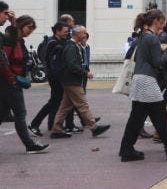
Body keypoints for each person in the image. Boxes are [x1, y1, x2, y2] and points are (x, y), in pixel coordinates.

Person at [119, 10, 167, 162]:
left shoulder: (143, 36)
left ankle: (127, 149)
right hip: (148, 80)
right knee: (157, 115)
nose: (164, 25)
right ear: (156, 21)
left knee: (139, 117)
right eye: (162, 22)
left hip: (140, 79)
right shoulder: (152, 39)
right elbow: (159, 63)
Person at [0, 12, 50, 154]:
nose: (31, 30)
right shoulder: (11, 41)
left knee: (2, 113)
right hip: (10, 82)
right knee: (20, 113)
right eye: (30, 27)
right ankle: (30, 145)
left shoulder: (19, 41)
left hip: (11, 81)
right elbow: (3, 61)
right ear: (21, 27)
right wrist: (12, 79)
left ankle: (30, 145)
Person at [49, 25, 110, 139]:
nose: (85, 35)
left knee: (64, 107)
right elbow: (72, 65)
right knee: (83, 105)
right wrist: (85, 73)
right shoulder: (71, 47)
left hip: (69, 80)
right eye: (83, 33)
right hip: (72, 81)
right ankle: (94, 128)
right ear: (77, 34)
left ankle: (56, 130)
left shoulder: (73, 45)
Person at [29, 21, 72, 135]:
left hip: (57, 76)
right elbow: (50, 62)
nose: (67, 34)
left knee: (55, 102)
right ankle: (36, 124)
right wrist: (54, 75)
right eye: (65, 32)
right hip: (55, 77)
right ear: (57, 31)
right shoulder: (53, 43)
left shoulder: (59, 41)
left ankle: (52, 125)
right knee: (54, 102)